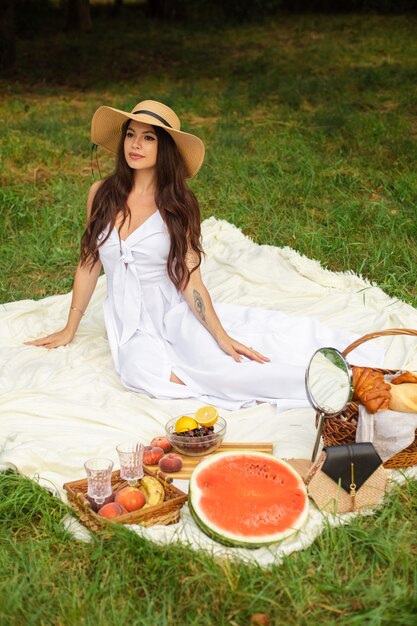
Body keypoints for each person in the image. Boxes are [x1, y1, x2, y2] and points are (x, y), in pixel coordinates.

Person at [25, 100, 378, 411]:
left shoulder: (178, 205)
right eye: (131, 134)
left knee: (224, 366)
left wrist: (220, 335)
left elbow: (189, 279)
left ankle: (342, 382)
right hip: (127, 320)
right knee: (140, 373)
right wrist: (70, 327)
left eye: (149, 137)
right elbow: (90, 261)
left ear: (164, 148)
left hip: (170, 310)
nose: (136, 144)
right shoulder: (100, 193)